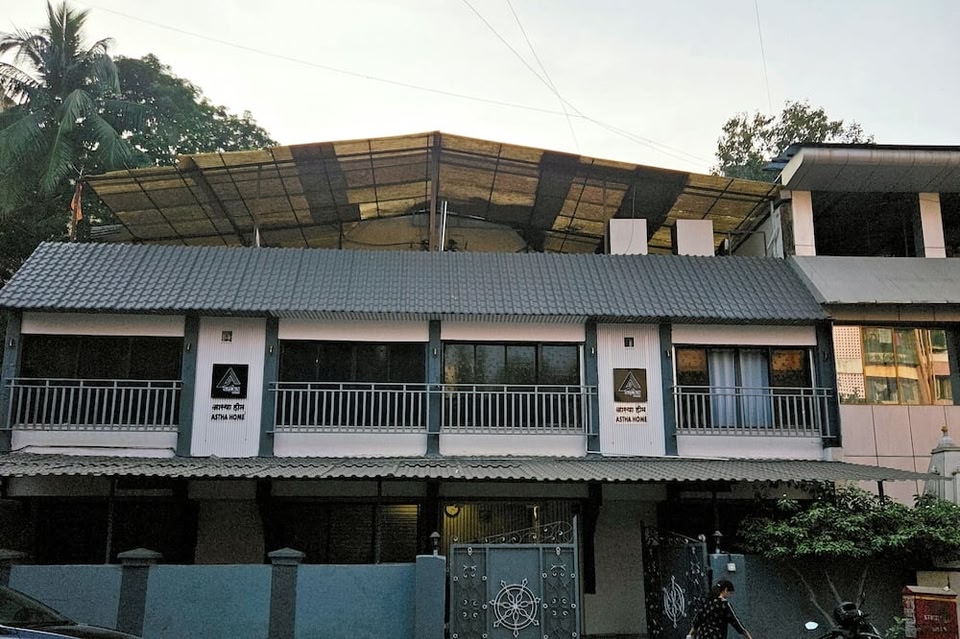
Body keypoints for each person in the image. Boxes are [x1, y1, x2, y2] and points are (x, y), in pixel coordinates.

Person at [687, 579, 753, 639]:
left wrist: (690, 634)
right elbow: (736, 622)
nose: (729, 595)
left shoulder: (706, 602)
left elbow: (697, 620)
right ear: (725, 590)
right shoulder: (724, 604)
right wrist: (748, 636)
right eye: (729, 593)